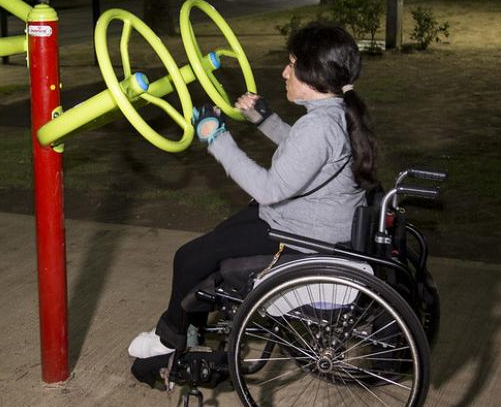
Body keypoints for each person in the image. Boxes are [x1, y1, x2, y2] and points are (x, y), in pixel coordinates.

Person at [128, 21, 378, 361]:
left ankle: (170, 337)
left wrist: (215, 137)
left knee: (188, 257)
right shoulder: (332, 113)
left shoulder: (318, 127)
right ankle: (190, 325)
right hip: (309, 221)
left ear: (314, 74)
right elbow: (307, 155)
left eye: (291, 65)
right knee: (212, 244)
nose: (284, 73)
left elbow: (268, 189)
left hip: (303, 234)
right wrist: (265, 120)